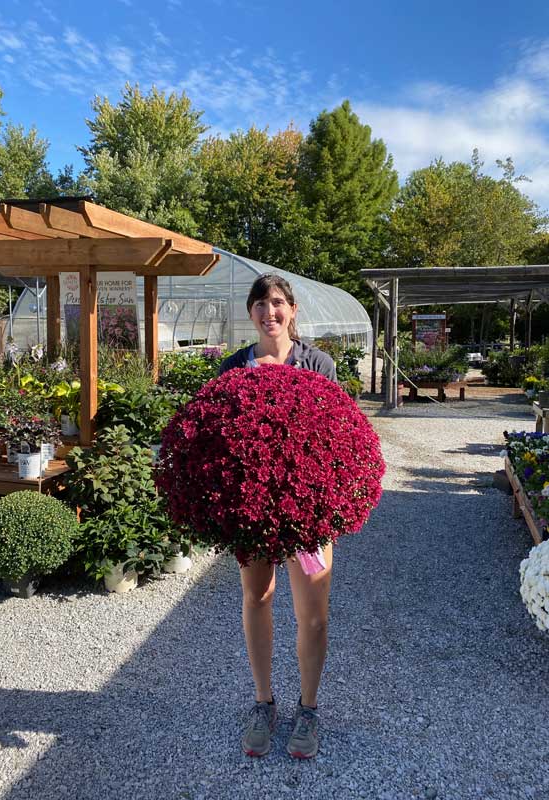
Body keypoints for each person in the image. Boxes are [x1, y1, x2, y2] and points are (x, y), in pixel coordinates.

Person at [218, 273, 337, 759]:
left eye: (279, 303)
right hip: (253, 512)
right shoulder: (232, 367)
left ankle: (308, 710)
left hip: (308, 509)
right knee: (258, 597)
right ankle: (264, 702)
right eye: (261, 304)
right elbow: (221, 440)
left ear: (293, 310)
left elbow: (336, 435)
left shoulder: (319, 364)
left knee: (312, 618)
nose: (270, 312)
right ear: (250, 313)